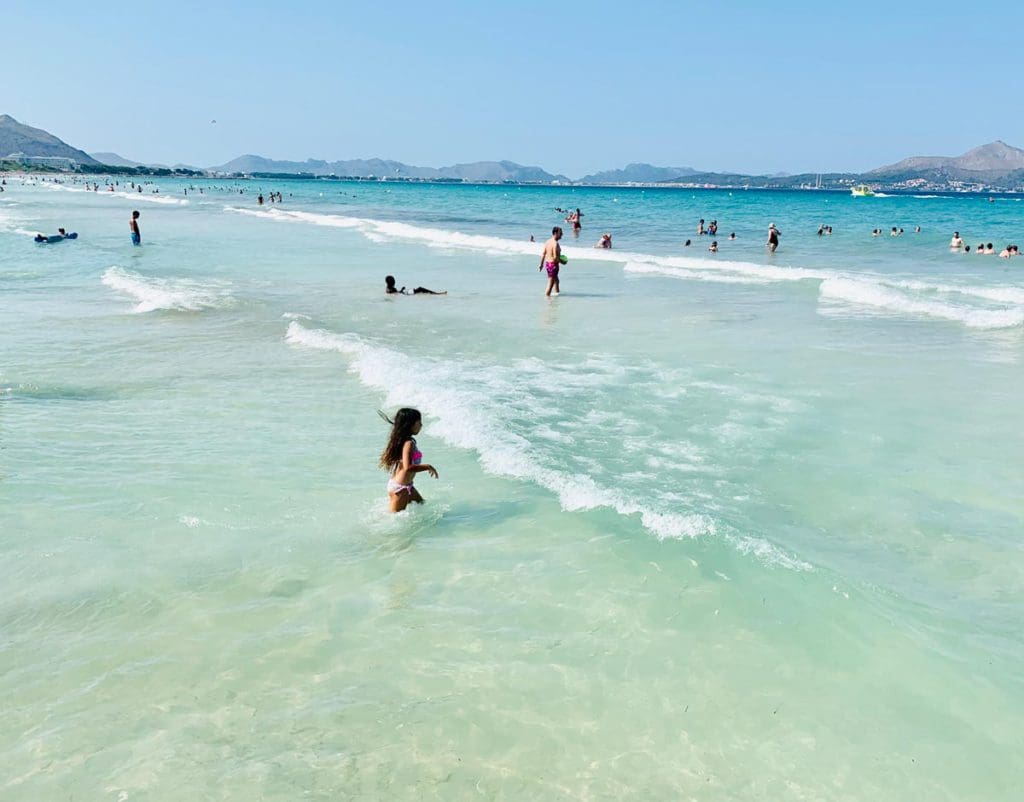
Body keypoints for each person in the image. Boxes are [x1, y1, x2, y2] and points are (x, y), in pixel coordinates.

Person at [378, 408, 438, 513]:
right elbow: (408, 467)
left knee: (423, 506)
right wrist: (428, 466)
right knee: (393, 522)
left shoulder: (405, 441)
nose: (421, 425)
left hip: (406, 486)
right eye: (419, 422)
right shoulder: (408, 443)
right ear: (411, 424)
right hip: (400, 489)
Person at [539, 226, 563, 296]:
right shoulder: (555, 243)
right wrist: (562, 262)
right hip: (553, 265)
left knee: (556, 281)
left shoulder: (548, 241)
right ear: (555, 233)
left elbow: (543, 254)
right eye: (560, 233)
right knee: (550, 283)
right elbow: (555, 257)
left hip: (548, 264)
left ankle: (557, 295)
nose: (562, 234)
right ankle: (547, 300)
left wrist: (541, 265)